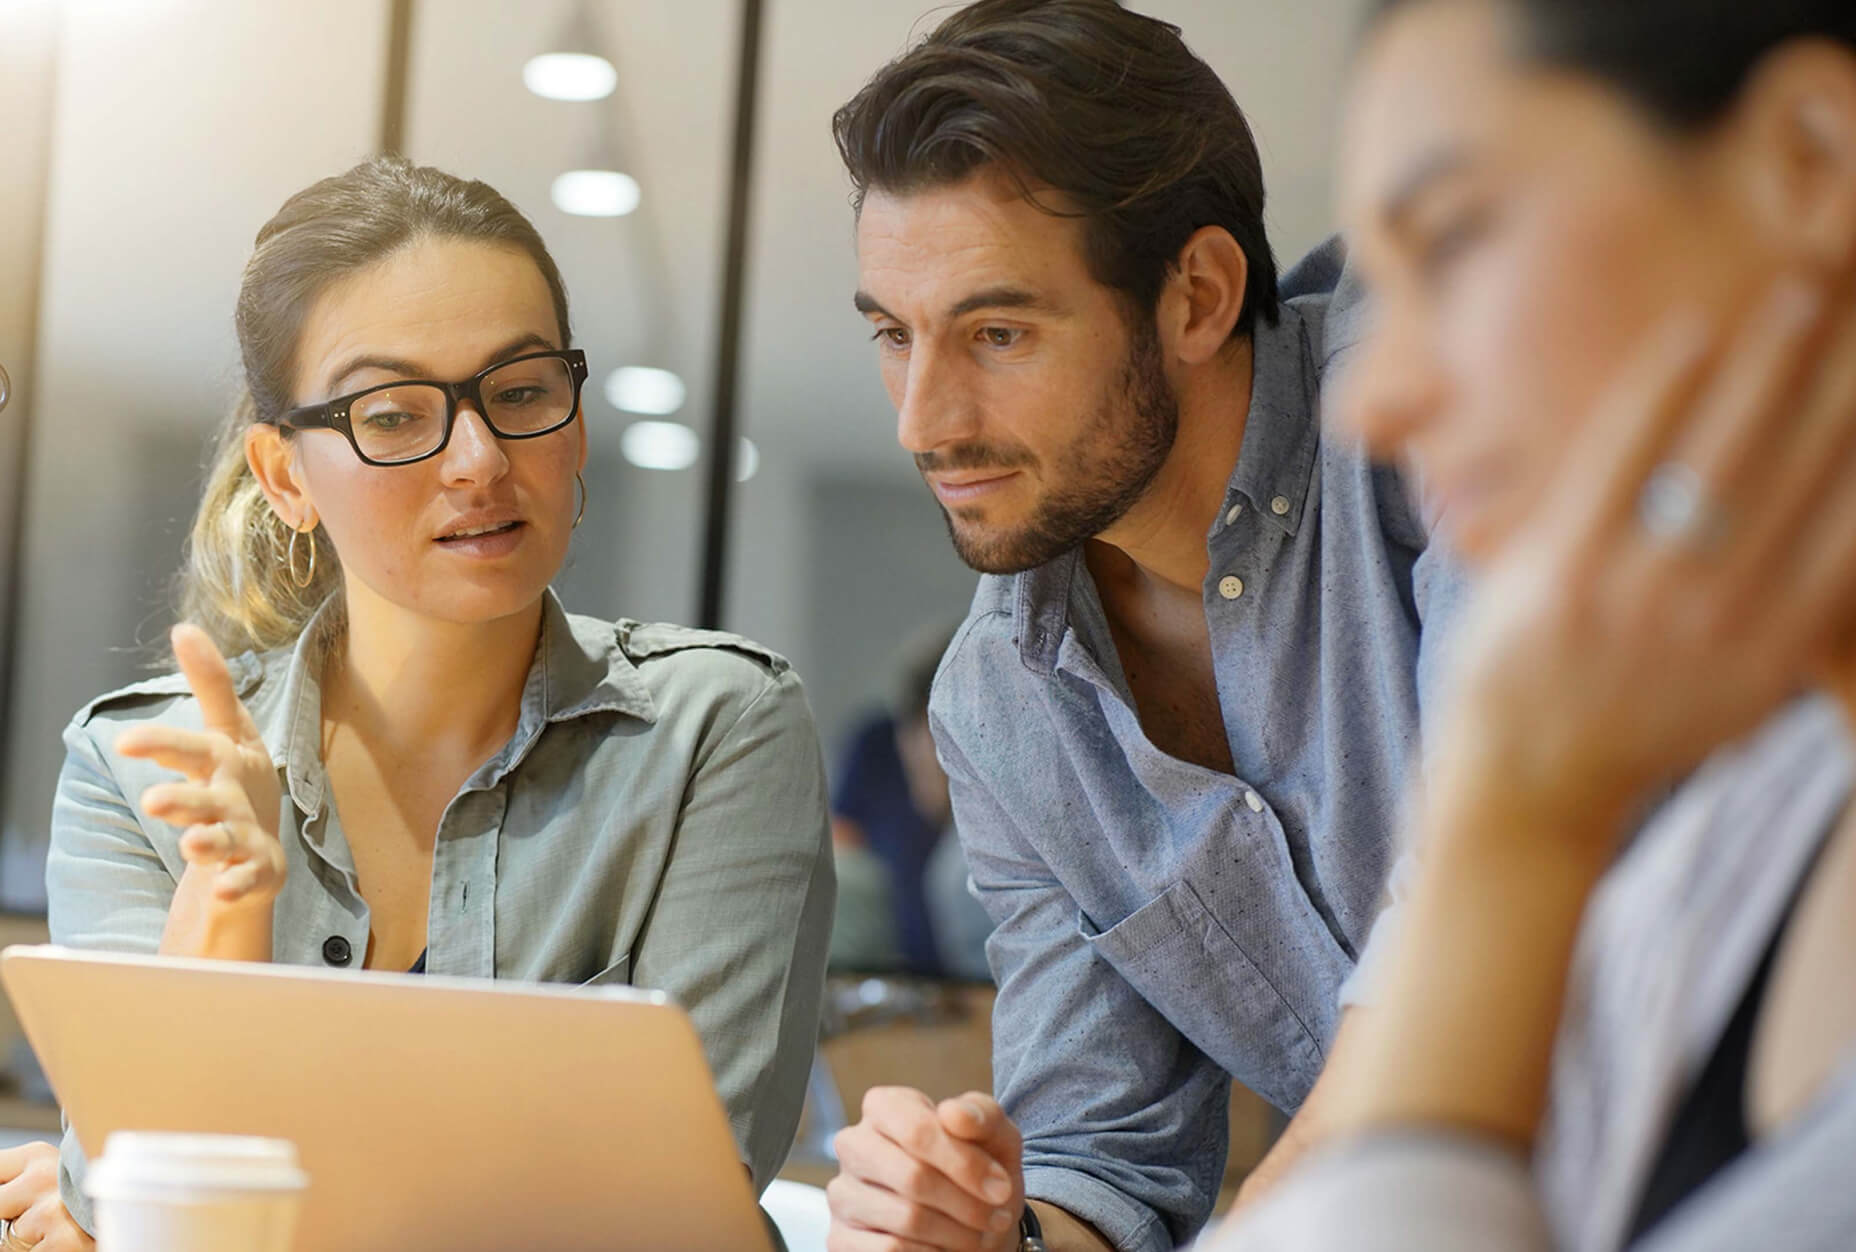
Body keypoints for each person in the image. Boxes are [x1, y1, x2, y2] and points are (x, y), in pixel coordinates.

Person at [0, 157, 834, 1249]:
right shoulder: (145, 765)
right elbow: (138, 1204)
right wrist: (227, 905)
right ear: (286, 475)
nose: (481, 460)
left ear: (574, 422)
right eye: (394, 415)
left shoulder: (716, 727)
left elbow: (676, 1212)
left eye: (523, 392)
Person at [1204, 0, 1856, 1247]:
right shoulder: (1743, 839)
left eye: (1447, 244)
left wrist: (1511, 818)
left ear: (1813, 161)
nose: (1371, 406)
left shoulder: (1572, 820)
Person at [824, 3, 1464, 1249]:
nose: (922, 421)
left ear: (1199, 295)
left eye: (996, 333)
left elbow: (1475, 934)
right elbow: (1100, 1159)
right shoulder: (999, 701)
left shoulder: (1435, 413)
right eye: (894, 338)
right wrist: (983, 1232)